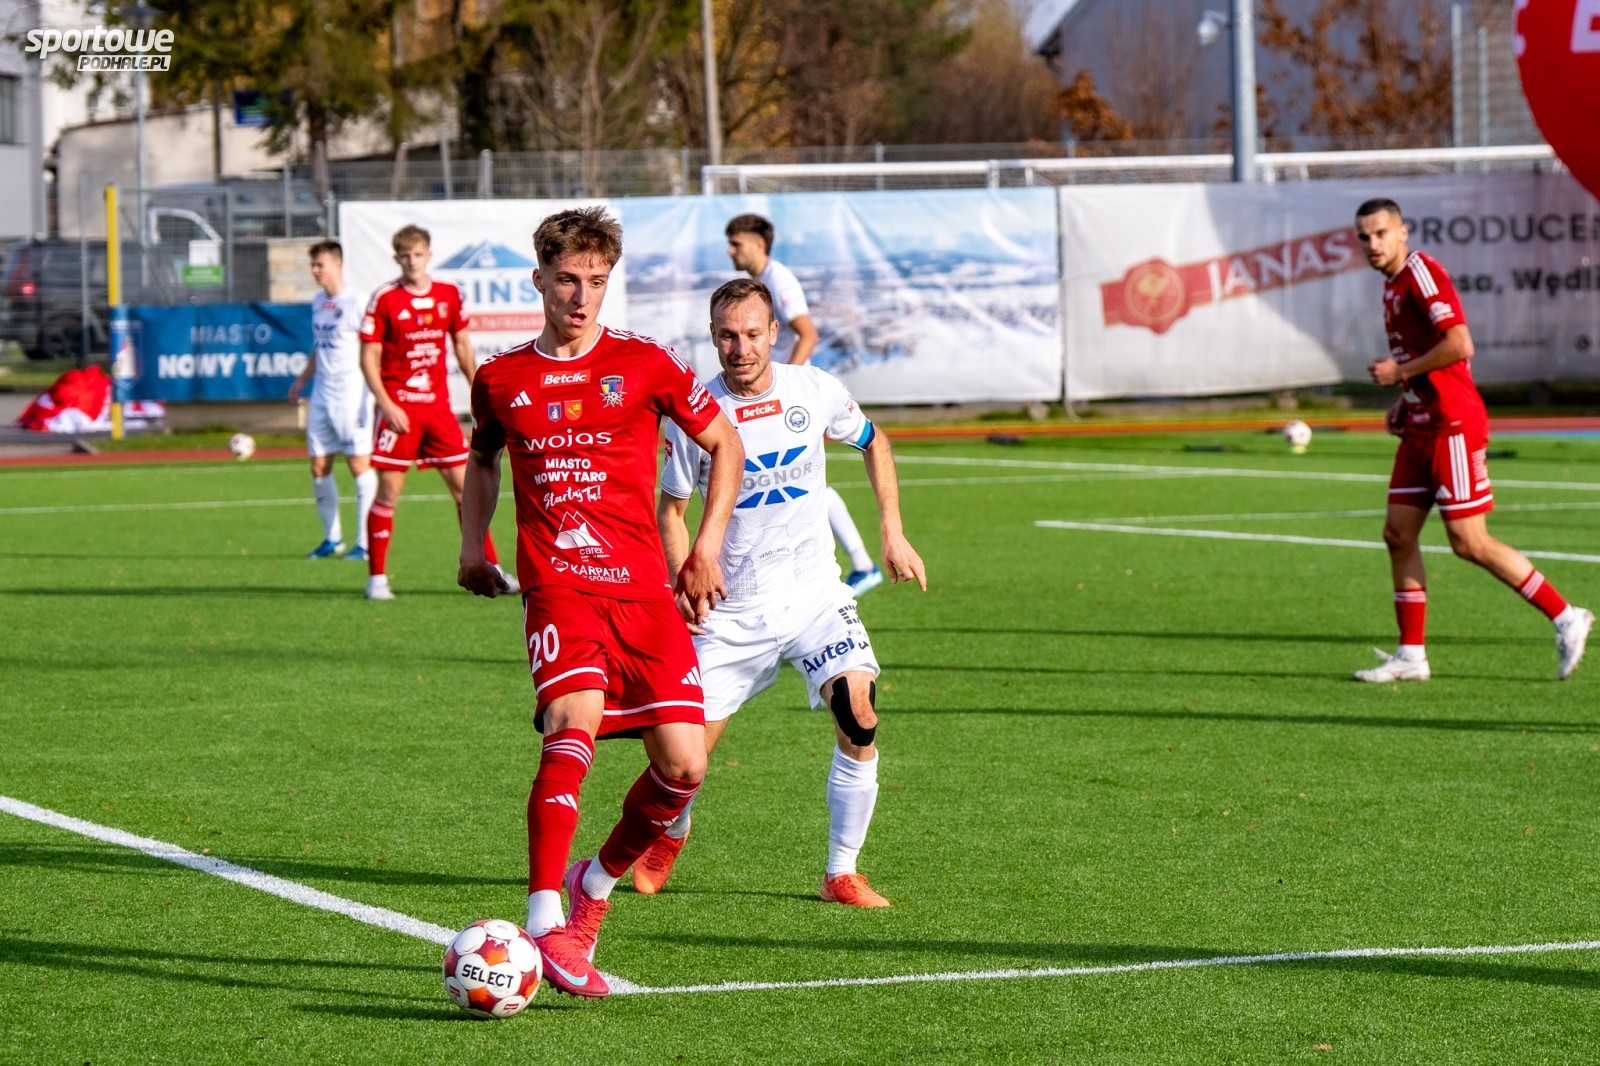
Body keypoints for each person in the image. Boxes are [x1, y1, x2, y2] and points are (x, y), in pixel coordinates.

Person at [457, 206, 745, 1000]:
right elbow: (482, 459)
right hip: (560, 587)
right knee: (571, 722)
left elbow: (725, 444)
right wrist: (473, 544)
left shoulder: (645, 363)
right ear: (539, 281)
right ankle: (543, 918)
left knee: (684, 766)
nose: (581, 297)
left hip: (645, 591)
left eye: (595, 280)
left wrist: (705, 549)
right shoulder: (501, 379)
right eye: (567, 281)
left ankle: (593, 885)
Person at [641, 277, 927, 907]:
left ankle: (841, 872)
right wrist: (683, 581)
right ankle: (670, 835)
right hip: (731, 610)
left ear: (774, 332)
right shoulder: (694, 414)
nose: (740, 348)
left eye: (752, 334)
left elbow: (874, 441)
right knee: (680, 760)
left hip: (814, 596)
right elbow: (672, 511)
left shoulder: (814, 389)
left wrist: (892, 530)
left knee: (858, 714)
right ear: (712, 337)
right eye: (727, 336)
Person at [1352, 197, 1591, 682]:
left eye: (1380, 233)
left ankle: (1567, 616)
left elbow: (1460, 344)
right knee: (1398, 534)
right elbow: (1429, 355)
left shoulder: (1420, 273)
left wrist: (1400, 371)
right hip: (1421, 424)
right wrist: (1406, 397)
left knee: (1468, 542)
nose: (1372, 243)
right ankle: (1411, 656)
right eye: (1364, 237)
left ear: (1403, 232)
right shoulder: (1392, 284)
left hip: (1452, 426)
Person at [726, 213, 884, 595]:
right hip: (774, 400)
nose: (730, 250)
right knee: (796, 481)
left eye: (736, 243)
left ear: (758, 244)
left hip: (789, 406)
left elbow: (808, 334)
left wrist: (784, 389)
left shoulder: (779, 280)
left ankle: (862, 564)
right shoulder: (761, 282)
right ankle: (861, 564)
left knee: (797, 481)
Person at [359, 224, 513, 600]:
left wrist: (480, 395)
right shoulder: (385, 298)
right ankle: (376, 579)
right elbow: (368, 358)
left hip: (438, 411)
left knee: (467, 490)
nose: (412, 261)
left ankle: (490, 568)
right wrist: (386, 404)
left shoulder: (448, 294)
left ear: (428, 256)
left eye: (418, 254)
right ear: (397, 259)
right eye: (405, 256)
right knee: (388, 493)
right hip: (400, 411)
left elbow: (462, 347)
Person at [288, 241, 376, 561]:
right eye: (313, 265)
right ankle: (332, 539)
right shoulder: (317, 302)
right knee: (319, 466)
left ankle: (365, 543)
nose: (315, 271)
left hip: (352, 396)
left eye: (320, 265)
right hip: (322, 395)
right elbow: (319, 347)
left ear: (337, 264)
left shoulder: (358, 302)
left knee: (358, 465)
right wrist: (302, 379)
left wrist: (379, 391)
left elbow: (374, 348)